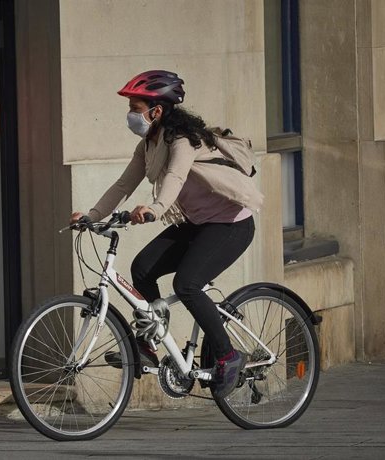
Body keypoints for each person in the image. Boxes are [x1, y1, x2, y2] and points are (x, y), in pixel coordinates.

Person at [70, 70, 264, 398]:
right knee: (142, 269)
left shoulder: (185, 140)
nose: (131, 114)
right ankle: (147, 345)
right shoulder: (149, 144)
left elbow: (174, 177)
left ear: (156, 110)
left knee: (186, 284)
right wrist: (91, 216)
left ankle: (229, 357)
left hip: (231, 224)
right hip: (198, 223)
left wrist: (155, 209)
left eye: (135, 107)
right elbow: (123, 185)